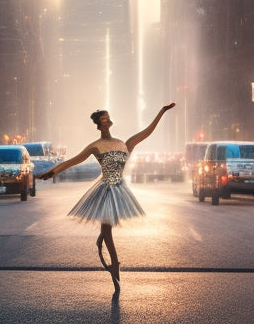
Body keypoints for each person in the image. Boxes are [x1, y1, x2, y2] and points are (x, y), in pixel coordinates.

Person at [39, 102, 175, 294]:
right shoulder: (96, 146)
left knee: (107, 227)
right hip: (105, 189)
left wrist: (162, 111)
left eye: (108, 115)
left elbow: (147, 132)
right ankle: (115, 264)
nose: (108, 118)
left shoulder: (123, 144)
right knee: (107, 227)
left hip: (119, 187)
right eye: (104, 117)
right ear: (100, 124)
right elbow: (74, 160)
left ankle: (107, 251)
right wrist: (52, 172)